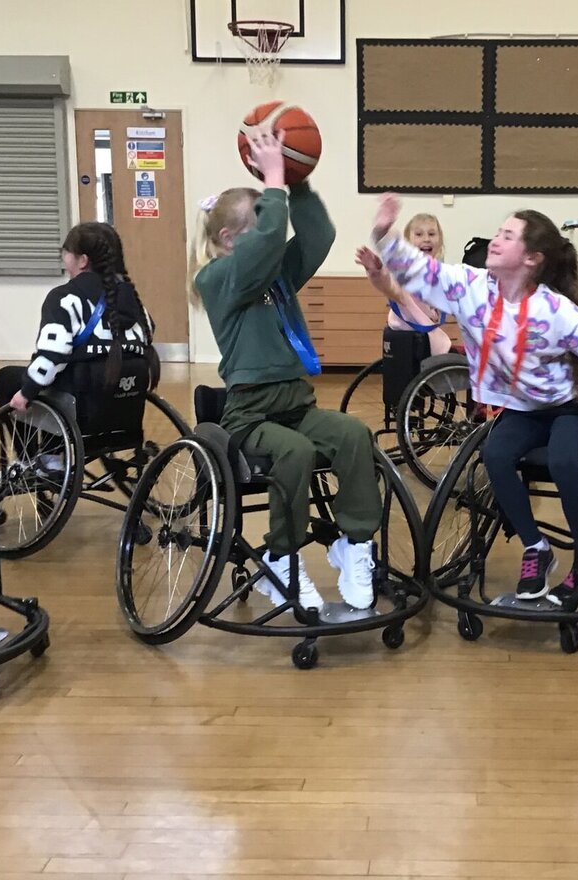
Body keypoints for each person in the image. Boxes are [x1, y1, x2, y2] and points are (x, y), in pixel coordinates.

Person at [366, 194, 578, 610]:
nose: (496, 240)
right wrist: (385, 233)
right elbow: (423, 271)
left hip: (566, 408)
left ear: (531, 259)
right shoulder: (471, 288)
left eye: (508, 236)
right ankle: (536, 546)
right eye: (499, 232)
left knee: (563, 461)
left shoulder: (554, 308)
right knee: (495, 456)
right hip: (520, 409)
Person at [191, 127, 380, 613]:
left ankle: (354, 545)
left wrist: (296, 182)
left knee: (354, 435)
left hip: (295, 402)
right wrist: (272, 180)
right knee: (293, 454)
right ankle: (279, 560)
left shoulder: (274, 274)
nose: (273, 240)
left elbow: (318, 235)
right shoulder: (218, 278)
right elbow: (266, 243)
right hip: (250, 415)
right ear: (230, 239)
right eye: (261, 231)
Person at [0, 222, 157, 415]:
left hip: (81, 398)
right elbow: (148, 334)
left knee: (7, 378)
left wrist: (26, 393)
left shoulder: (64, 298)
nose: (64, 259)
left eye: (65, 252)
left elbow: (54, 354)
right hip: (127, 397)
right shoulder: (132, 298)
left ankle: (27, 446)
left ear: (82, 260)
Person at [358, 213, 452, 356]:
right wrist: (375, 271)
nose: (426, 239)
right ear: (408, 242)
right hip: (410, 332)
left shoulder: (437, 271)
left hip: (425, 331)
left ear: (440, 242)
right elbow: (391, 288)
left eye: (432, 234)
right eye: (419, 234)